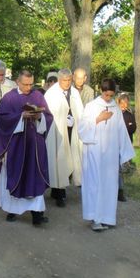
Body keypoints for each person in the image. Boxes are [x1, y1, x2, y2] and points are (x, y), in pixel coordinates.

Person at [0, 70, 53, 227]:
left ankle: (37, 214)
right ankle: (12, 210)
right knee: (15, 174)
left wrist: (39, 117)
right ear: (17, 82)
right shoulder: (9, 98)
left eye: (31, 84)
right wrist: (21, 116)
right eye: (25, 84)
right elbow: (2, 119)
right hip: (16, 145)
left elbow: (48, 116)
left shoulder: (38, 96)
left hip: (34, 146)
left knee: (34, 176)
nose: (29, 87)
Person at [78, 78, 135, 231]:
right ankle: (95, 218)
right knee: (95, 184)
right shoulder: (91, 106)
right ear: (101, 91)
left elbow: (122, 131)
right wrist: (98, 119)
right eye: (106, 94)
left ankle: (107, 217)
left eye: (111, 95)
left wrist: (124, 153)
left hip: (110, 155)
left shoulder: (116, 108)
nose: (108, 98)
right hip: (95, 152)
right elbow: (82, 129)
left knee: (109, 185)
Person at [44, 68, 84, 207]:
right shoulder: (51, 93)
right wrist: (62, 119)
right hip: (58, 132)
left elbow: (80, 110)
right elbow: (49, 113)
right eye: (64, 81)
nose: (67, 83)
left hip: (72, 131)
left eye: (69, 80)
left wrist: (74, 119)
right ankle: (59, 192)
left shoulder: (74, 93)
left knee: (70, 159)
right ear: (59, 79)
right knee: (59, 160)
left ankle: (62, 187)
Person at [117, 92, 137, 201]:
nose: (124, 105)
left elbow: (133, 127)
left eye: (126, 103)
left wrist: (127, 128)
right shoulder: (115, 113)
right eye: (122, 103)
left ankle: (120, 191)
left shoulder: (129, 114)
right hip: (115, 143)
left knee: (121, 169)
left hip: (126, 142)